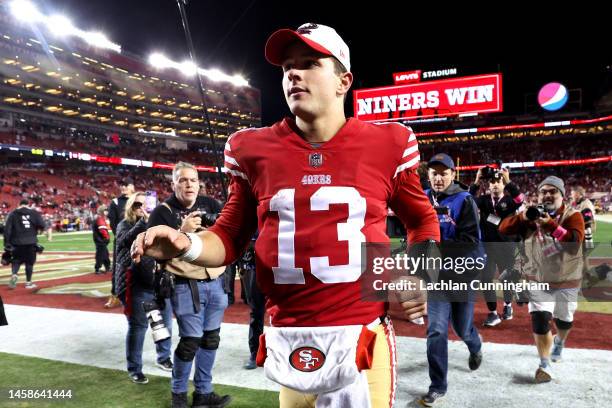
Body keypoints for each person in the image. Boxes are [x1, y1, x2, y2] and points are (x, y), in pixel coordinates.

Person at [133, 23, 439, 408]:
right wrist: (187, 244)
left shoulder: (389, 143)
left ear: (344, 81)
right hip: (288, 337)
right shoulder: (253, 149)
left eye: (310, 63)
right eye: (287, 67)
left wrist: (416, 272)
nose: (293, 73)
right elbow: (228, 237)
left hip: (360, 334)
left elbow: (422, 220)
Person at [146, 162, 230, 408]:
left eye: (193, 180)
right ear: (174, 184)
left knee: (211, 339)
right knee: (190, 341)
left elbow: (226, 237)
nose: (189, 184)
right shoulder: (162, 212)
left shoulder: (212, 205)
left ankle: (204, 394)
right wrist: (179, 232)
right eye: (183, 180)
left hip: (216, 282)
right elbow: (156, 253)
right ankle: (179, 396)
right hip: (185, 284)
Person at [499, 176, 584, 383]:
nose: (547, 195)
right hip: (538, 278)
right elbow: (502, 229)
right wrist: (522, 218)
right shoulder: (531, 214)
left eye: (552, 191)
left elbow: (574, 243)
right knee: (539, 319)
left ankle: (560, 342)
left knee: (564, 320)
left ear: (562, 195)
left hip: (567, 278)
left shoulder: (574, 216)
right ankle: (544, 364)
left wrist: (552, 226)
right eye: (543, 191)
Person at [421, 154, 484, 406]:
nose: (439, 177)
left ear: (452, 174)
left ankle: (475, 345)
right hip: (438, 277)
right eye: (434, 173)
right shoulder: (423, 197)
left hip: (464, 273)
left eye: (443, 173)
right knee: (436, 329)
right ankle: (438, 385)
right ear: (429, 175)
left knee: (462, 327)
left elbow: (470, 241)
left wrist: (436, 247)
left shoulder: (465, 200)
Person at [116, 192, 173, 384]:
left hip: (157, 282)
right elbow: (124, 242)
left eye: (146, 204)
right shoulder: (124, 225)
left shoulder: (159, 224)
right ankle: (134, 368)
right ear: (131, 207)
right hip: (135, 283)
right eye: (137, 204)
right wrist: (144, 223)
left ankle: (164, 358)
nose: (142, 207)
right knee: (138, 326)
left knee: (164, 324)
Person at [469, 167, 523, 326]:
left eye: (498, 182)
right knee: (485, 279)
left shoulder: (509, 201)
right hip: (487, 248)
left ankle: (507, 306)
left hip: (506, 247)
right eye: (491, 182)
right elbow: (468, 200)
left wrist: (508, 181)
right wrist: (477, 180)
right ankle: (492, 312)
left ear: (502, 184)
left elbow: (520, 200)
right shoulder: (484, 200)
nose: (494, 185)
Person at [106, 177, 135, 308]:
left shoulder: (138, 199)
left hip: (139, 238)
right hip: (122, 240)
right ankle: (115, 295)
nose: (123, 187)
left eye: (126, 185)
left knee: (142, 267)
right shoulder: (116, 202)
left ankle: (140, 294)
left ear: (132, 186)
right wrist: (122, 236)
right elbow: (112, 223)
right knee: (118, 268)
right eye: (121, 185)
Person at [4, 199, 45, 289]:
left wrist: (7, 243)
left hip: (16, 242)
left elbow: (7, 230)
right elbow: (42, 225)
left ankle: (14, 275)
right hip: (31, 241)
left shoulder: (13, 213)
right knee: (29, 263)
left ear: (19, 204)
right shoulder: (34, 213)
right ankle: (28, 282)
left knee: (16, 261)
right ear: (28, 205)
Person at [238, 237, 265, 370]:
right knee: (257, 312)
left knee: (288, 311)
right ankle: (255, 353)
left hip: (281, 266)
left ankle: (290, 351)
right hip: (255, 267)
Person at [93, 205, 111, 275]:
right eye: (105, 210)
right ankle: (98, 268)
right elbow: (102, 230)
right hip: (100, 240)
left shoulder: (100, 218)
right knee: (100, 254)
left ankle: (107, 267)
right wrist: (106, 237)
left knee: (105, 254)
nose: (107, 211)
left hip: (100, 240)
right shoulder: (100, 219)